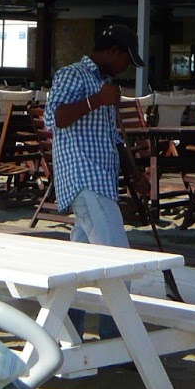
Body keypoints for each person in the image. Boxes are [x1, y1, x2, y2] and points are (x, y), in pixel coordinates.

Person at [43, 22, 143, 250]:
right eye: (126, 61)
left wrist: (133, 172)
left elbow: (112, 138)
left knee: (84, 256)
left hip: (102, 180)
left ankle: (70, 286)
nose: (125, 68)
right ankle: (119, 287)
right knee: (115, 255)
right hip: (85, 179)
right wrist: (96, 100)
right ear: (113, 51)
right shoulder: (72, 74)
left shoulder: (103, 83)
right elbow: (54, 119)